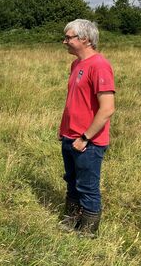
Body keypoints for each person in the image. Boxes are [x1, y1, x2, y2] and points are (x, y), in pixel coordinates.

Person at [58, 19, 115, 238]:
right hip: (69, 136)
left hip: (88, 141)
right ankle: (72, 219)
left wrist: (85, 137)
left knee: (87, 186)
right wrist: (63, 128)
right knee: (71, 180)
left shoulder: (99, 65)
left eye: (69, 37)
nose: (65, 42)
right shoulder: (76, 65)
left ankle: (88, 231)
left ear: (86, 39)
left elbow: (107, 108)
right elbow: (73, 100)